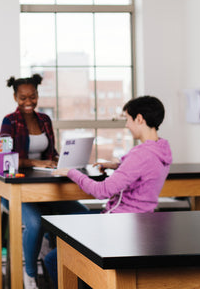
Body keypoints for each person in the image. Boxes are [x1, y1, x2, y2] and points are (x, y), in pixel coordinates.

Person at [44, 95, 173, 288]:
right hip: (143, 222)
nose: (127, 125)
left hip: (120, 225)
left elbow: (102, 191)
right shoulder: (161, 149)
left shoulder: (141, 155)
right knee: (73, 227)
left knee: (53, 259)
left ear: (139, 119)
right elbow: (143, 170)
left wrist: (71, 172)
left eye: (128, 119)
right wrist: (118, 165)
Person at [0, 74, 89, 289]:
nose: (28, 102)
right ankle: (30, 275)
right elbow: (4, 157)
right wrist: (34, 162)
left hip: (46, 189)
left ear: (38, 95)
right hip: (16, 191)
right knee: (35, 222)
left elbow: (52, 153)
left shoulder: (45, 120)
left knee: (83, 214)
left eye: (33, 97)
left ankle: (67, 264)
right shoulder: (9, 121)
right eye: (23, 98)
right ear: (15, 97)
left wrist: (60, 160)